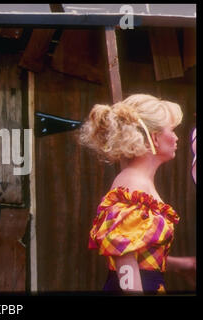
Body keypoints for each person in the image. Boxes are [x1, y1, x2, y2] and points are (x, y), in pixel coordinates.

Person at [79, 94, 196, 294]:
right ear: (154, 137)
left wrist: (181, 264)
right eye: (172, 130)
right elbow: (124, 259)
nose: (176, 138)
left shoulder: (140, 182)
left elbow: (138, 255)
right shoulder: (134, 185)